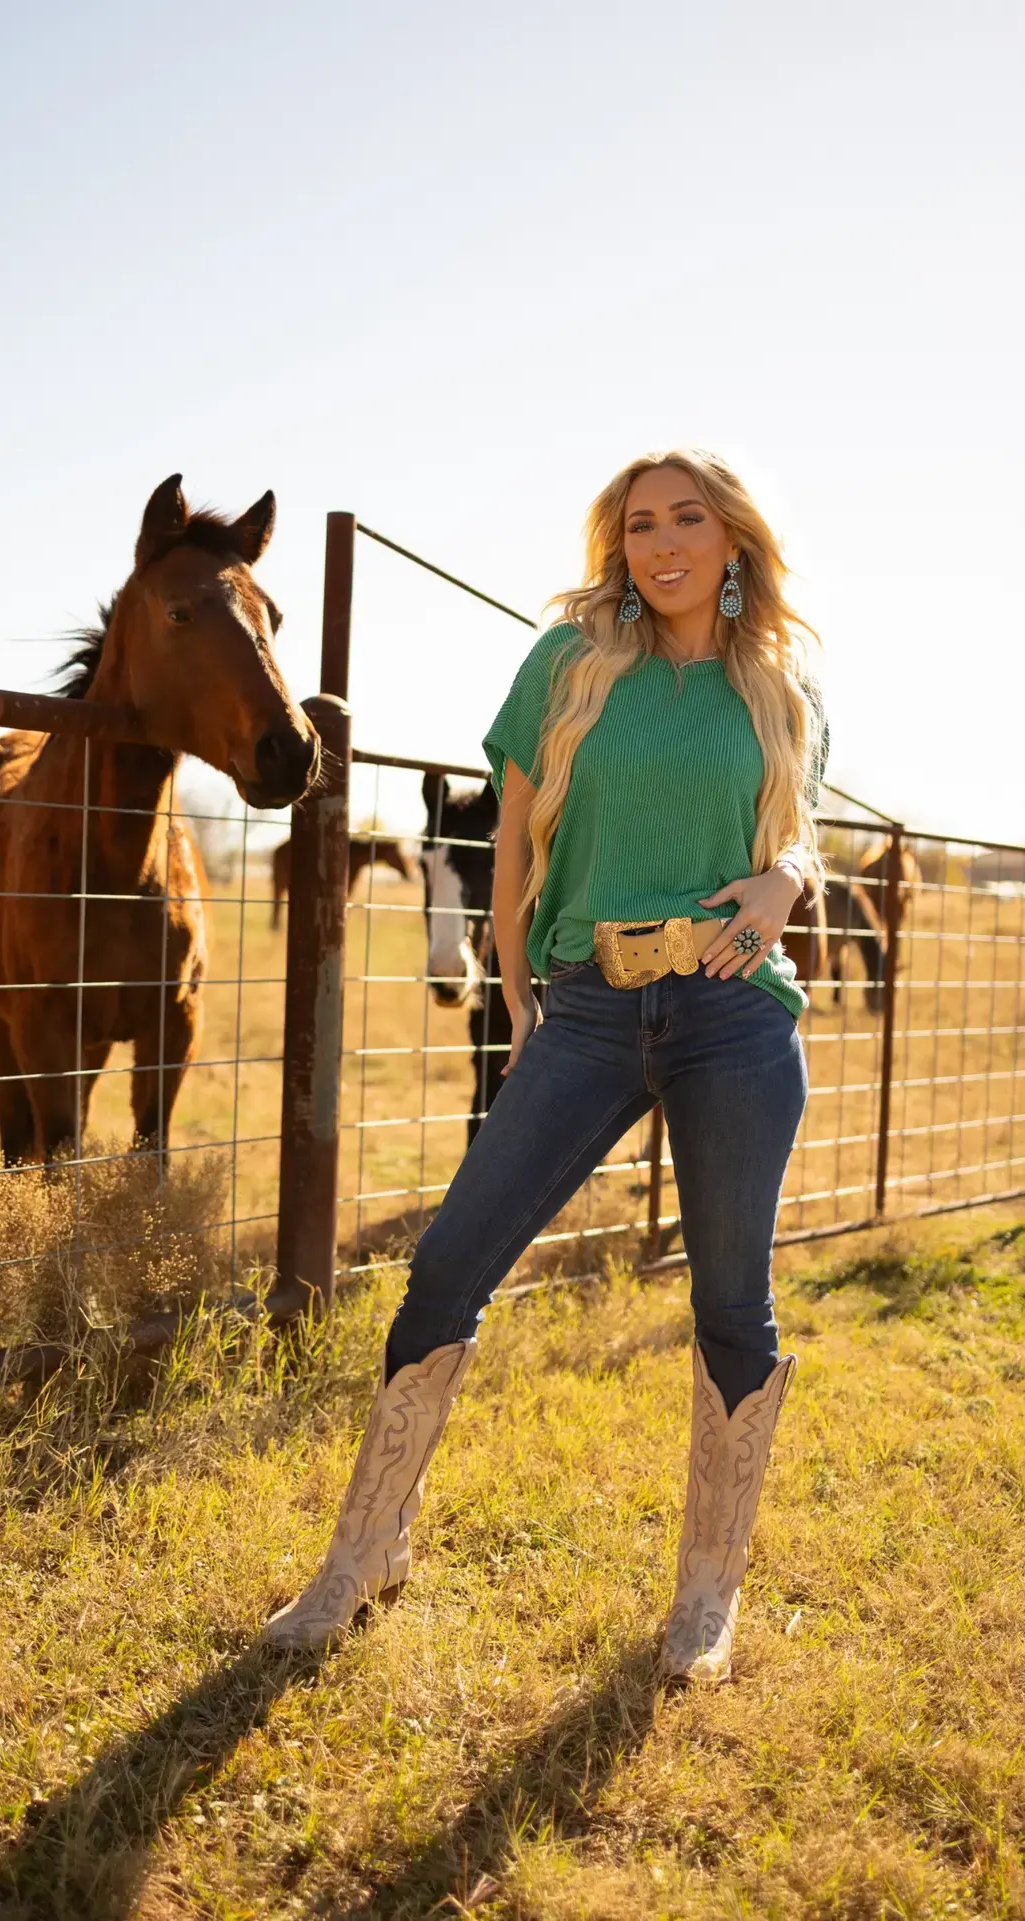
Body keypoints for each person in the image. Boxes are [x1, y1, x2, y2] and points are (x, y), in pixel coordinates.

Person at [264, 448, 829, 1684]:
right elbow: (511, 835)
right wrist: (521, 1001)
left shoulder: (781, 692)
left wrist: (789, 878)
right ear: (617, 545)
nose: (662, 542)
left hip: (735, 1017)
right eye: (639, 525)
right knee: (451, 1262)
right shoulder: (568, 664)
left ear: (734, 541)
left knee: (733, 1300)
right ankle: (363, 1553)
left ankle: (705, 1598)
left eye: (688, 518)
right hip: (588, 1004)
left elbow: (793, 845)